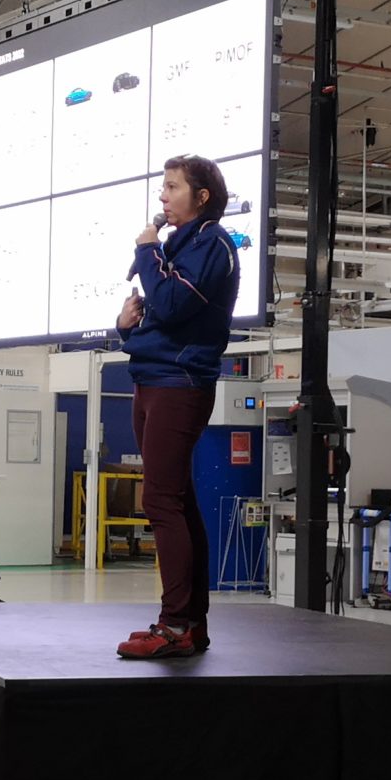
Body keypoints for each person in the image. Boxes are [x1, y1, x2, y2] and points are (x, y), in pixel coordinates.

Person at [111, 155, 240, 660]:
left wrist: (147, 251)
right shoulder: (177, 247)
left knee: (161, 501)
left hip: (179, 384)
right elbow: (160, 317)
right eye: (162, 188)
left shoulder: (213, 244)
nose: (163, 196)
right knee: (177, 501)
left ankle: (175, 624)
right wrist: (125, 327)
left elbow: (170, 304)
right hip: (152, 379)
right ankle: (191, 623)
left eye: (172, 187)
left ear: (201, 196)